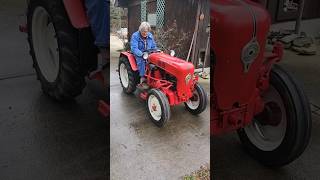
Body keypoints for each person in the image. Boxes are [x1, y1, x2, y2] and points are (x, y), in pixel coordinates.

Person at [130, 22, 157, 88]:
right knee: (142, 61)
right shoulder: (135, 36)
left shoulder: (150, 35)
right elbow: (134, 48)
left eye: (146, 31)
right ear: (140, 30)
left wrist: (156, 51)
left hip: (148, 52)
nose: (145, 33)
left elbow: (153, 46)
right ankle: (143, 78)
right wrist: (141, 54)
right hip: (139, 52)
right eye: (143, 31)